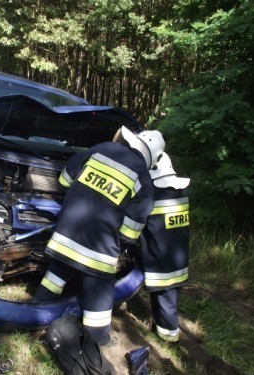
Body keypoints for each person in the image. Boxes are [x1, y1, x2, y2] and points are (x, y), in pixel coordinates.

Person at [33, 127, 165, 346]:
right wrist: (116, 245)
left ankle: (36, 312)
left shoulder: (101, 148)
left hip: (64, 237)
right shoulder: (143, 179)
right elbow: (130, 232)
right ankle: (98, 338)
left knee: (57, 272)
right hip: (99, 251)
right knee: (101, 290)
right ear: (152, 157)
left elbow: (64, 180)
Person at [139, 152, 190, 343]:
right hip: (179, 256)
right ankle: (165, 328)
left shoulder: (153, 194)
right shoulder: (180, 191)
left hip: (160, 261)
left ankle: (169, 335)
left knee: (165, 300)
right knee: (171, 295)